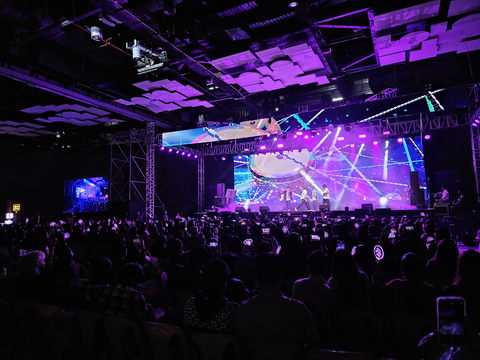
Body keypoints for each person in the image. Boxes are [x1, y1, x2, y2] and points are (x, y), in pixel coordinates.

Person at [234, 255, 320, 359]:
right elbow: (314, 341)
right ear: (280, 276)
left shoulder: (244, 309)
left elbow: (240, 344)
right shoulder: (298, 308)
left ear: (257, 276)